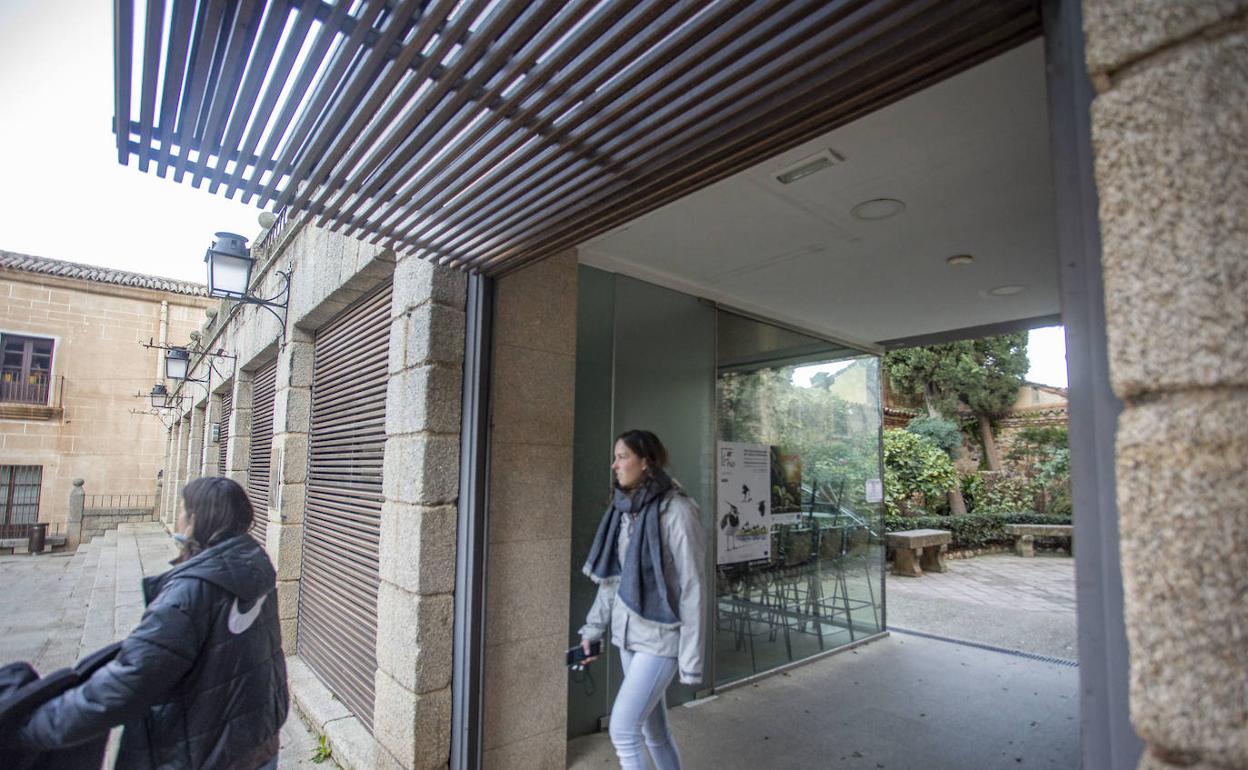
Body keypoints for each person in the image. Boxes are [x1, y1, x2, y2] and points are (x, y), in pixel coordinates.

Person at [14, 476, 288, 769]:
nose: (179, 518)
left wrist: (31, 728)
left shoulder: (189, 593)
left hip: (207, 755)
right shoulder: (255, 564)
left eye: (184, 511)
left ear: (199, 519)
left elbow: (128, 680)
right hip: (257, 741)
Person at [580, 429, 707, 770]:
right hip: (627, 636)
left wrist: (691, 660)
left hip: (661, 637)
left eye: (622, 457)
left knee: (622, 730)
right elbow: (613, 581)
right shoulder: (624, 512)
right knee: (655, 730)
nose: (614, 465)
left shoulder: (677, 511)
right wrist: (592, 630)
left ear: (645, 461)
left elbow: (693, 587)